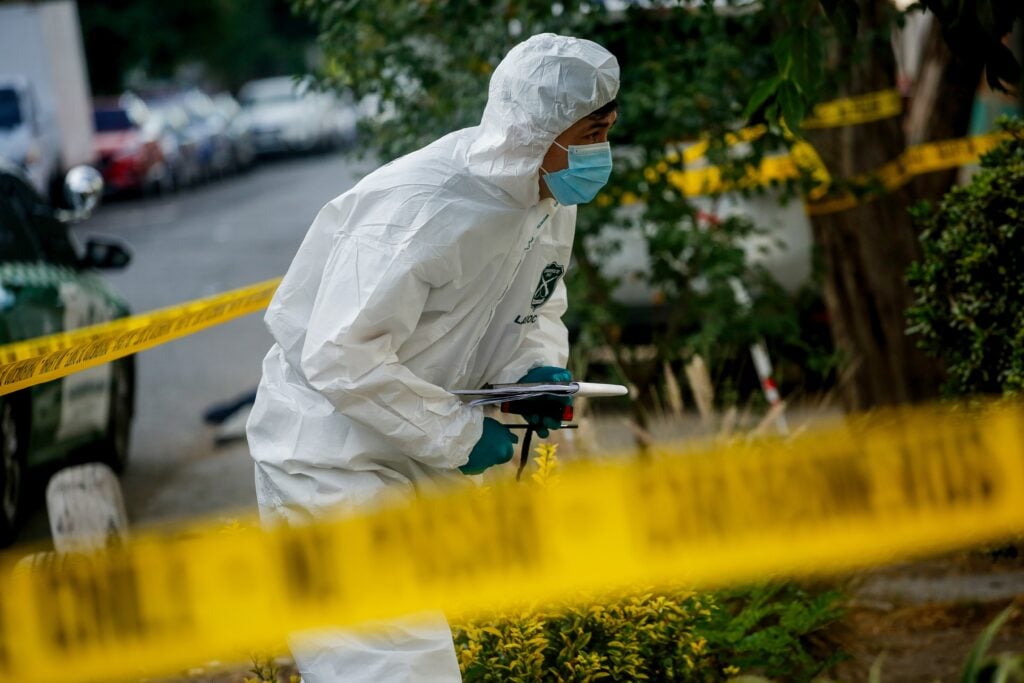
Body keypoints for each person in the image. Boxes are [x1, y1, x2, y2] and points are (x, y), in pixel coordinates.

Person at [246, 32, 619, 683]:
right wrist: (455, 432)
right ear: (541, 128)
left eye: (608, 129)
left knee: (413, 651)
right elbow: (339, 355)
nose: (601, 150)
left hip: (408, 447)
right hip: (329, 453)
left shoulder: (546, 199)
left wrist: (532, 372)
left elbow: (536, 302)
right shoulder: (420, 209)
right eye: (592, 130)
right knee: (390, 661)